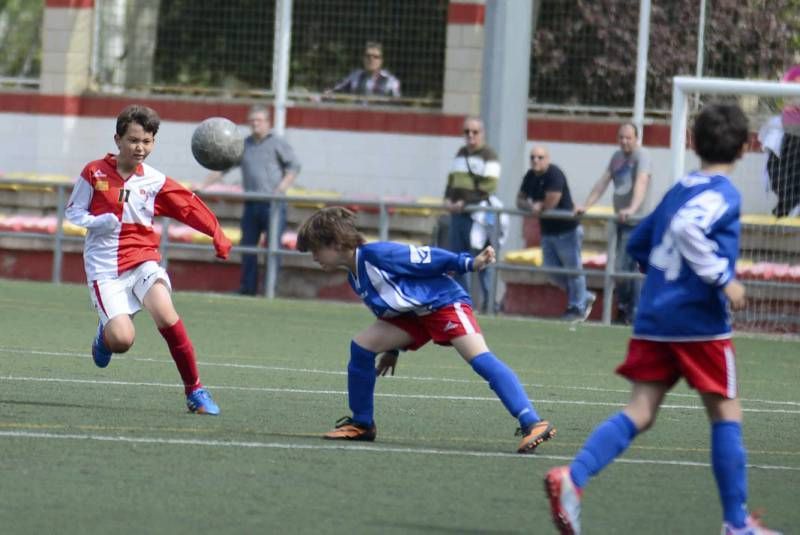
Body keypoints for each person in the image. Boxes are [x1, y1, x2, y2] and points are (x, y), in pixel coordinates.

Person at [544, 104, 783, 535]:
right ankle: (736, 524)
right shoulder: (723, 194)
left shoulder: (678, 189)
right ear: (746, 148)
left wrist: (660, 284)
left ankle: (573, 479)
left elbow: (640, 242)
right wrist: (723, 280)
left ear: (692, 143)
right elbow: (691, 230)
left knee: (640, 410)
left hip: (655, 318)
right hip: (699, 324)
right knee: (727, 413)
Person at [296, 206, 556, 454]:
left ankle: (532, 422)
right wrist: (393, 350)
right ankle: (362, 424)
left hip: (442, 303)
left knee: (480, 359)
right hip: (415, 316)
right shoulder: (355, 276)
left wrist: (469, 263)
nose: (314, 256)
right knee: (362, 347)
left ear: (337, 243)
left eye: (316, 249)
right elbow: (392, 310)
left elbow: (428, 258)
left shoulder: (377, 255)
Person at [65, 104, 232, 415]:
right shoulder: (94, 172)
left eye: (147, 141)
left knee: (167, 314)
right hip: (104, 268)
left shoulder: (154, 181)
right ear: (117, 140)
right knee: (122, 340)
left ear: (154, 142)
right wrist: (96, 221)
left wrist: (216, 233)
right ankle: (106, 334)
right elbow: (73, 211)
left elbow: (188, 206)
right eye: (133, 140)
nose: (139, 147)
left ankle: (195, 390)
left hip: (143, 260)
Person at [199, 105, 301, 295]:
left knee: (272, 249)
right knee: (248, 247)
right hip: (251, 204)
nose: (255, 124)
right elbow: (223, 167)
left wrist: (280, 190)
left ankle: (271, 289)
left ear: (268, 123)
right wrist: (203, 185)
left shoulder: (278, 143)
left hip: (273, 206)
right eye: (252, 121)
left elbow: (293, 168)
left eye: (259, 120)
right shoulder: (243, 145)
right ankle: (248, 288)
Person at [575, 122, 652, 324]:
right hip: (619, 220)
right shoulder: (617, 157)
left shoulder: (641, 156)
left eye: (628, 138)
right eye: (621, 138)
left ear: (637, 138)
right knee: (619, 267)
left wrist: (632, 209)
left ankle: (631, 310)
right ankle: (626, 307)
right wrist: (586, 205)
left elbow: (641, 183)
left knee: (628, 267)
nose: (624, 142)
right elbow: (603, 182)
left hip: (635, 222)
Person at [517, 145, 595, 321]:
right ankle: (583, 296)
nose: (536, 161)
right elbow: (519, 199)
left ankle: (577, 307)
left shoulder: (554, 174)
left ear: (548, 159)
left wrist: (541, 207)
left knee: (573, 270)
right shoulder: (530, 176)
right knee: (552, 271)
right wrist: (531, 206)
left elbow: (553, 199)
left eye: (540, 157)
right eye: (533, 157)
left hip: (567, 230)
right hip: (548, 232)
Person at [443, 117, 501, 309]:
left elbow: (489, 186)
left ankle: (489, 304)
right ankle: (463, 302)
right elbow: (452, 180)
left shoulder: (489, 155)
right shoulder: (460, 153)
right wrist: (448, 199)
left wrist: (464, 202)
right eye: (466, 131)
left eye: (474, 132)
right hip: (458, 215)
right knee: (458, 260)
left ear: (482, 134)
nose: (470, 135)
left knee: (484, 258)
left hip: (479, 216)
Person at [762, 65, 800, 217]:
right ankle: (788, 203)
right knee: (777, 164)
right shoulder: (794, 73)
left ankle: (790, 203)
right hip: (790, 125)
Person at [327, 41, 401, 98]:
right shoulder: (354, 77)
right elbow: (335, 92)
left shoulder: (391, 81)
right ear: (363, 58)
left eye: (376, 57)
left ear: (381, 60)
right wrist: (318, 98)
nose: (371, 59)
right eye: (368, 56)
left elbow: (397, 104)